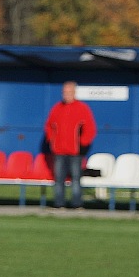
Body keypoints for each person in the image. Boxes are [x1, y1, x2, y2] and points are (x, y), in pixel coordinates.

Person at [44, 81, 97, 209]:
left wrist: (82, 144)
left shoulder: (82, 108)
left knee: (75, 178)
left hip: (75, 151)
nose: (66, 95)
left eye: (69, 92)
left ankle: (76, 204)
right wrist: (52, 141)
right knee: (59, 178)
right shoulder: (57, 108)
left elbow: (90, 129)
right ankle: (59, 203)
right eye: (64, 92)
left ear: (74, 93)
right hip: (59, 150)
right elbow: (49, 126)